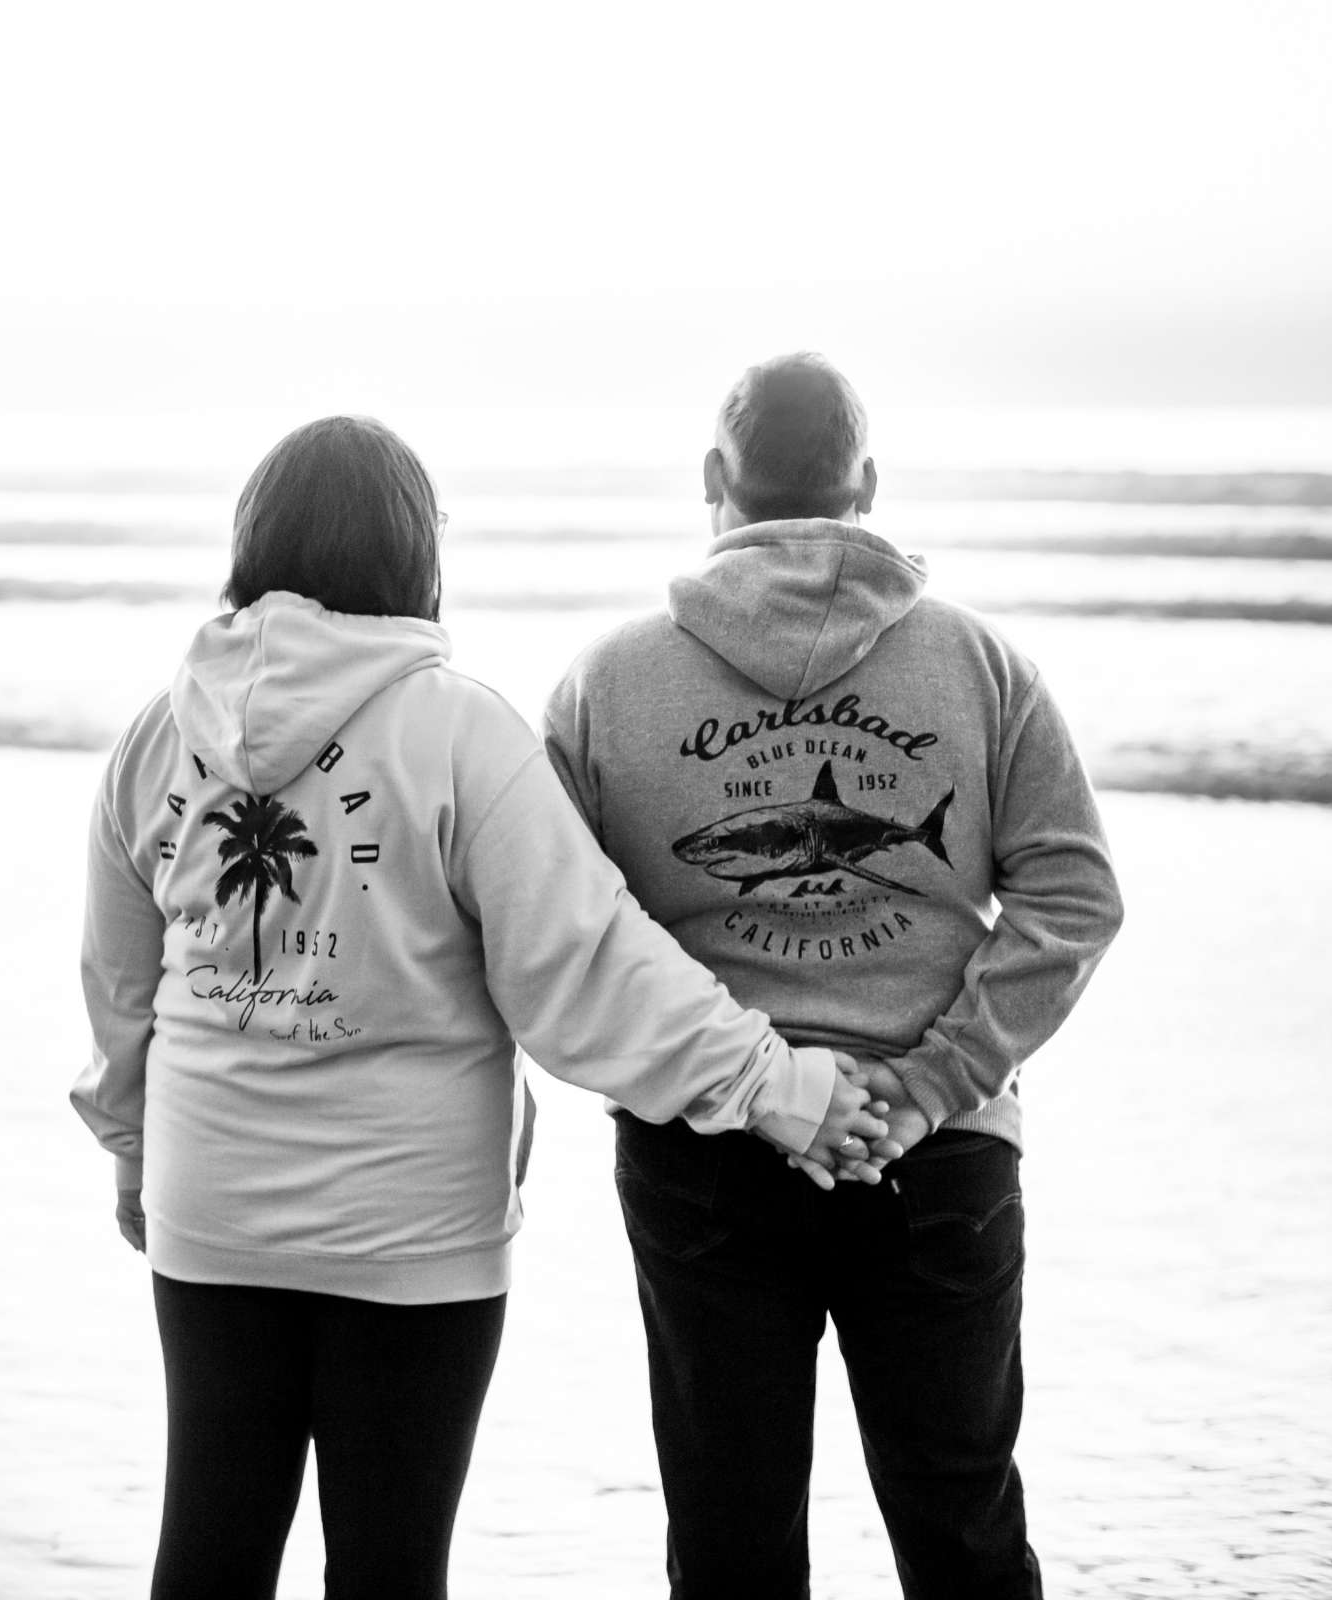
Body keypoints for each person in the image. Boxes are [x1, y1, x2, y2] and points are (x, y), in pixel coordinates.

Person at [72, 415, 888, 1600]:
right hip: (410, 1231)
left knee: (209, 1547)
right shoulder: (460, 732)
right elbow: (588, 969)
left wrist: (131, 1150)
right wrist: (785, 1087)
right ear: (415, 552)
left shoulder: (156, 734)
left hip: (211, 1204)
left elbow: (117, 988)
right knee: (392, 1565)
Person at [543, 353, 1125, 1598]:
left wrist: (758, 1082)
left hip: (707, 1153)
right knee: (962, 1525)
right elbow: (1076, 895)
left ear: (715, 479)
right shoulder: (984, 666)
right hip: (944, 1153)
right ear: (867, 482)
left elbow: (560, 938)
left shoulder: (605, 684)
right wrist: (928, 1086)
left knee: (730, 1539)